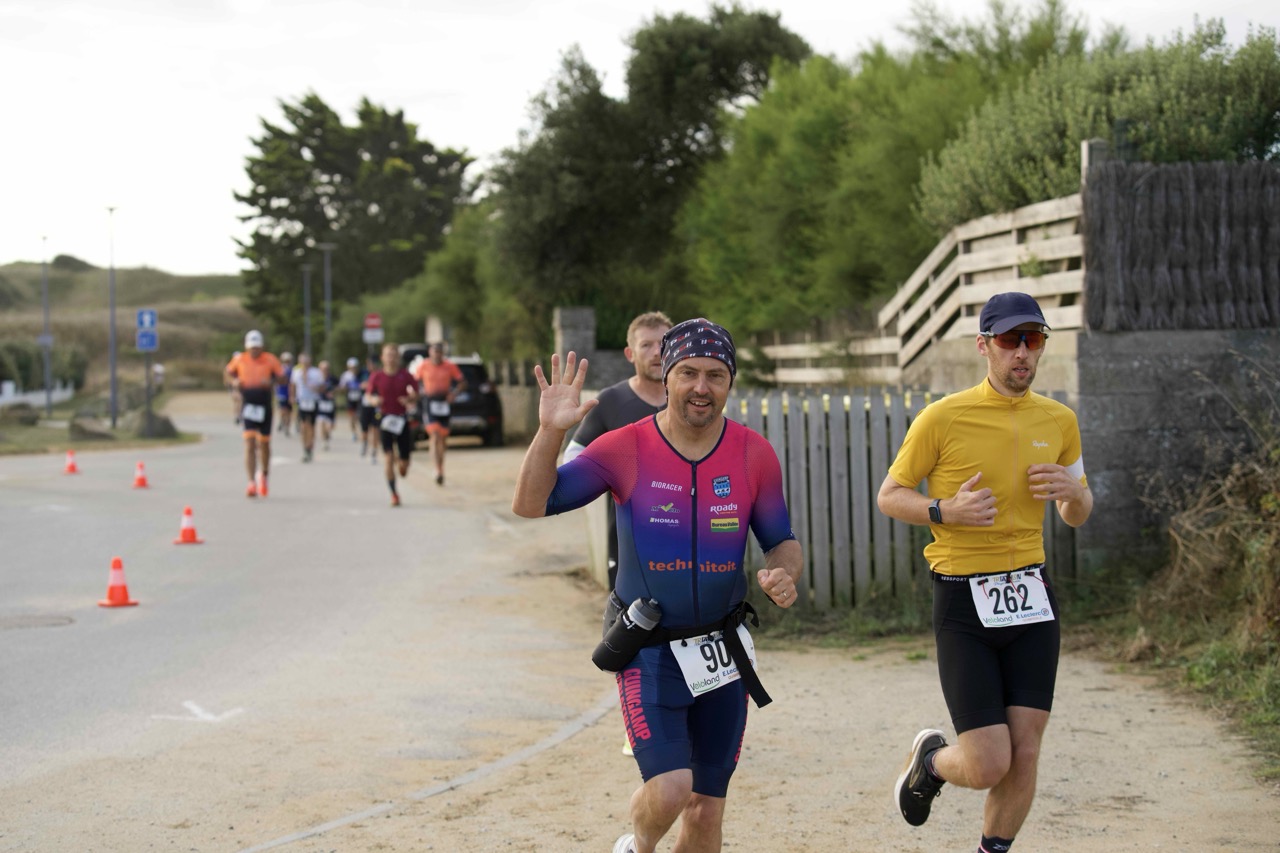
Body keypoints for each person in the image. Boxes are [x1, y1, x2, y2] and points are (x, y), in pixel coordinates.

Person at [512, 318, 803, 853]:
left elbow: (781, 540)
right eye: (688, 372)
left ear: (730, 382)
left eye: (715, 375)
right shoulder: (626, 446)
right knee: (670, 789)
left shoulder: (753, 453)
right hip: (647, 645)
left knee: (706, 809)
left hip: (721, 649)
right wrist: (550, 431)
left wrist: (784, 573)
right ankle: (639, 846)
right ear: (665, 376)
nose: (701, 387)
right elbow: (531, 503)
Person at [877, 292, 1093, 853]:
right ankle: (932, 762)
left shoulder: (1059, 420)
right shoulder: (943, 417)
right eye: (1009, 340)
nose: (1022, 352)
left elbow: (1077, 510)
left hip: (1032, 595)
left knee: (1026, 749)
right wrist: (944, 511)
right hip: (963, 599)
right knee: (989, 761)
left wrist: (1074, 495)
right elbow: (890, 495)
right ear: (984, 346)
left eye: (1033, 339)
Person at [563, 311, 672, 592]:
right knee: (627, 617)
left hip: (687, 538)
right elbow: (573, 458)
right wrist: (616, 474)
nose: (657, 352)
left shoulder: (691, 401)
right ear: (629, 354)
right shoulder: (611, 401)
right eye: (646, 345)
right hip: (627, 545)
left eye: (663, 343)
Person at [224, 330, 286, 498]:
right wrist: (234, 382)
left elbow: (283, 378)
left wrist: (271, 382)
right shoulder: (239, 359)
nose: (254, 350)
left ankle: (264, 475)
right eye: (252, 348)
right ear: (247, 347)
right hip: (248, 404)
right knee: (249, 443)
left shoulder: (270, 359)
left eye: (257, 347)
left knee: (264, 444)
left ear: (262, 346)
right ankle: (251, 482)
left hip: (264, 404)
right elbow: (227, 374)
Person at [367, 343, 419, 507]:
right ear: (382, 358)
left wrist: (409, 399)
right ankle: (394, 494)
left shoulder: (406, 375)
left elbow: (416, 393)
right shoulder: (377, 376)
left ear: (398, 358)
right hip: (385, 419)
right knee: (388, 458)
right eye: (388, 355)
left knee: (404, 464)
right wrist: (374, 400)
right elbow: (369, 395)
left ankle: (402, 462)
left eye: (393, 355)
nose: (391, 358)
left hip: (402, 419)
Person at [412, 342, 466, 486]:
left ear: (442, 354)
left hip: (444, 402)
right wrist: (417, 393)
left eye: (439, 352)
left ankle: (441, 467)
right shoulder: (424, 365)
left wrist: (454, 394)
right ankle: (437, 470)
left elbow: (462, 382)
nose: (437, 355)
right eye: (434, 352)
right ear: (430, 352)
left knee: (442, 438)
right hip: (429, 402)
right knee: (434, 434)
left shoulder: (450, 366)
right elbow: (415, 382)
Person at [289, 352, 325, 462]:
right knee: (303, 425)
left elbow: (322, 387)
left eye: (306, 361)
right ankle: (305, 448)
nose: (304, 363)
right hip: (302, 401)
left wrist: (316, 389)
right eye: (302, 361)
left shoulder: (316, 372)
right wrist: (292, 396)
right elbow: (293, 385)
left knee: (312, 426)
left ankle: (310, 446)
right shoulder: (296, 372)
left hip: (313, 401)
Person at [358, 353, 382, 463]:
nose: (369, 366)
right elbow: (356, 384)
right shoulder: (363, 373)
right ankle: (364, 443)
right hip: (365, 405)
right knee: (364, 428)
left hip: (376, 406)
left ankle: (374, 451)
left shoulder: (381, 374)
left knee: (375, 428)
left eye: (371, 363)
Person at [339, 356, 364, 442]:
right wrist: (346, 387)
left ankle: (361, 432)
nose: (354, 369)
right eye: (352, 367)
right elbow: (341, 388)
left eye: (355, 367)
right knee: (351, 417)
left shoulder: (362, 374)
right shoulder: (346, 376)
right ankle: (354, 433)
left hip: (360, 399)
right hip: (350, 399)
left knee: (359, 416)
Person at [316, 359, 338, 451]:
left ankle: (327, 437)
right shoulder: (317, 378)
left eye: (326, 369)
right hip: (320, 402)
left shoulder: (332, 379)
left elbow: (340, 387)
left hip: (330, 404)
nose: (325, 370)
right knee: (321, 423)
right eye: (323, 369)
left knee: (329, 426)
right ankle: (324, 441)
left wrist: (333, 392)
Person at [275, 351, 295, 437]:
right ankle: (281, 421)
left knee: (289, 412)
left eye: (288, 360)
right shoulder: (280, 369)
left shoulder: (292, 370)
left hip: (289, 393)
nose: (287, 362)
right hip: (281, 392)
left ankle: (287, 427)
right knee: (283, 410)